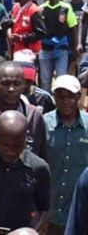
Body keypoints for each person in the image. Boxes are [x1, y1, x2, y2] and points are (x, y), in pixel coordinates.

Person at [43, 74, 88, 235]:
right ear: (54, 97)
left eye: (70, 96)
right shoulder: (43, 123)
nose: (65, 101)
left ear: (78, 97)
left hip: (78, 208)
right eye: (60, 97)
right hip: (49, 208)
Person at [38, 0, 77, 89]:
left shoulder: (66, 8)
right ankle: (46, 104)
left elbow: (72, 28)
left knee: (61, 80)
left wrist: (73, 49)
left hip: (61, 50)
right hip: (45, 50)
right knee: (45, 81)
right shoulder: (42, 8)